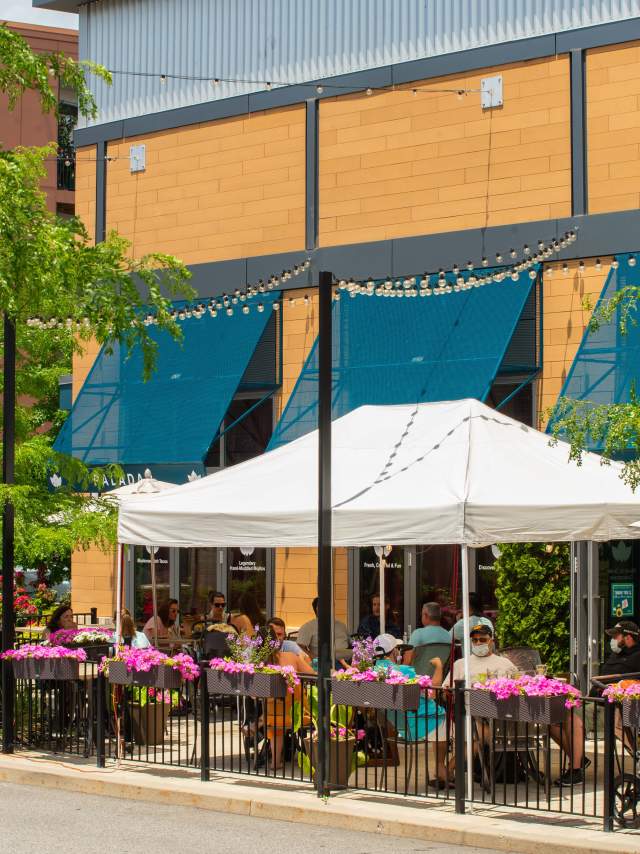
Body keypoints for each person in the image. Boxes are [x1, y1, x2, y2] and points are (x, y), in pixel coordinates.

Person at [374, 633, 449, 787]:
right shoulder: (404, 670)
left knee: (441, 720)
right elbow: (433, 692)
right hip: (417, 723)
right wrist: (439, 666)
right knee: (452, 725)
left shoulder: (375, 671)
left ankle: (442, 769)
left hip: (398, 724)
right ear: (394, 651)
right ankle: (443, 768)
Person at [262, 633, 315, 769]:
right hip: (299, 715)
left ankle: (275, 762)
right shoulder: (291, 656)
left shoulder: (260, 663)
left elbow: (254, 694)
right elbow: (312, 674)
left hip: (274, 718)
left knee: (275, 724)